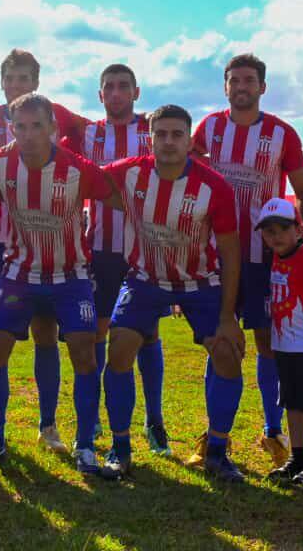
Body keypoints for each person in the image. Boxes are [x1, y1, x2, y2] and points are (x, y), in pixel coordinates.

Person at [99, 104, 245, 481]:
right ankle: (121, 446)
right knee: (118, 348)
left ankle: (216, 449)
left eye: (176, 134)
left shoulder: (214, 187)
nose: (168, 141)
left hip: (200, 282)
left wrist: (228, 317)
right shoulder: (128, 172)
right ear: (150, 137)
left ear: (188, 138)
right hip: (145, 279)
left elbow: (230, 252)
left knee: (228, 354)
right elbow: (83, 179)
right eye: (160, 134)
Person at [0, 49, 90, 452]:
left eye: (25, 78)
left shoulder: (58, 114)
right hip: (2, 242)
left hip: (55, 245)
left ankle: (48, 426)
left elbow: (91, 139)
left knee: (46, 333)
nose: (17, 84)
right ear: (1, 82)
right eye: (10, 78)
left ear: (37, 81)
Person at [0, 93, 114, 475]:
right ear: (11, 129)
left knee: (84, 353)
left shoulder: (78, 169)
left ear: (53, 127)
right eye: (21, 126)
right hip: (19, 273)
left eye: (38, 126)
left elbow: (118, 192)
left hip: (71, 275)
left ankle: (85, 445)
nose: (30, 134)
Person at [191, 53, 303, 469]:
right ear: (225, 86)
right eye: (233, 80)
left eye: (249, 80)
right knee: (219, 342)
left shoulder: (283, 133)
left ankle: (272, 430)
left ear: (262, 86)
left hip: (265, 258)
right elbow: (186, 174)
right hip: (218, 256)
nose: (241, 86)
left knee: (267, 343)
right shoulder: (208, 128)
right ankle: (213, 434)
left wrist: (301, 244)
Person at [64, 63, 166, 452]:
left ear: (136, 92)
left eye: (124, 86)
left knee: (149, 333)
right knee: (97, 334)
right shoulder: (89, 134)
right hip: (103, 248)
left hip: (146, 250)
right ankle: (96, 422)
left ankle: (154, 420)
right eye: (110, 87)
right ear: (100, 95)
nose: (117, 93)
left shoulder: (152, 130)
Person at [255, 198, 303, 488]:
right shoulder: (271, 258)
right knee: (291, 404)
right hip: (282, 344)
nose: (276, 236)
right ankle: (297, 458)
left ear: (298, 229)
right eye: (269, 231)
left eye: (283, 229)